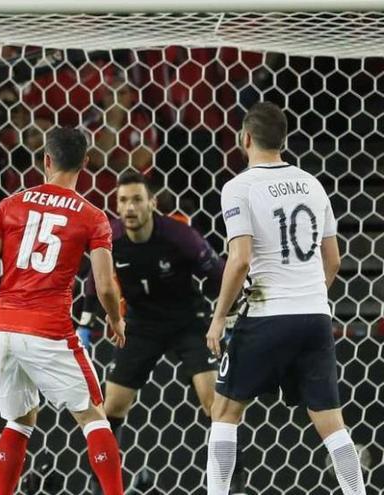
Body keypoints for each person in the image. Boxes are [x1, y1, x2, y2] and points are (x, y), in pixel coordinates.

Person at [205, 102, 366, 494]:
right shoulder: (312, 184)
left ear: (245, 139)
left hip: (266, 315)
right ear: (285, 140)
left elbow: (240, 259)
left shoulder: (238, 187)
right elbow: (334, 260)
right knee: (332, 423)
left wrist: (219, 316)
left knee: (224, 412)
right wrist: (306, 296)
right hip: (314, 315)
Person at [0, 127, 127, 495]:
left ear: (46, 160)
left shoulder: (9, 205)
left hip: (5, 329)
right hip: (48, 328)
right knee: (93, 417)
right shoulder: (92, 216)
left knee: (18, 420)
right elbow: (104, 285)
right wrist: (115, 319)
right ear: (85, 163)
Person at [82, 170, 227, 493]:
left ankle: (229, 486)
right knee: (112, 407)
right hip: (141, 324)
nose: (129, 207)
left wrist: (223, 315)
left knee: (214, 403)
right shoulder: (111, 238)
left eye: (136, 199)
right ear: (116, 206)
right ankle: (101, 488)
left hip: (187, 320)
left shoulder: (180, 236)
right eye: (123, 201)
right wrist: (85, 324)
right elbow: (96, 281)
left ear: (152, 203)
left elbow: (218, 273)